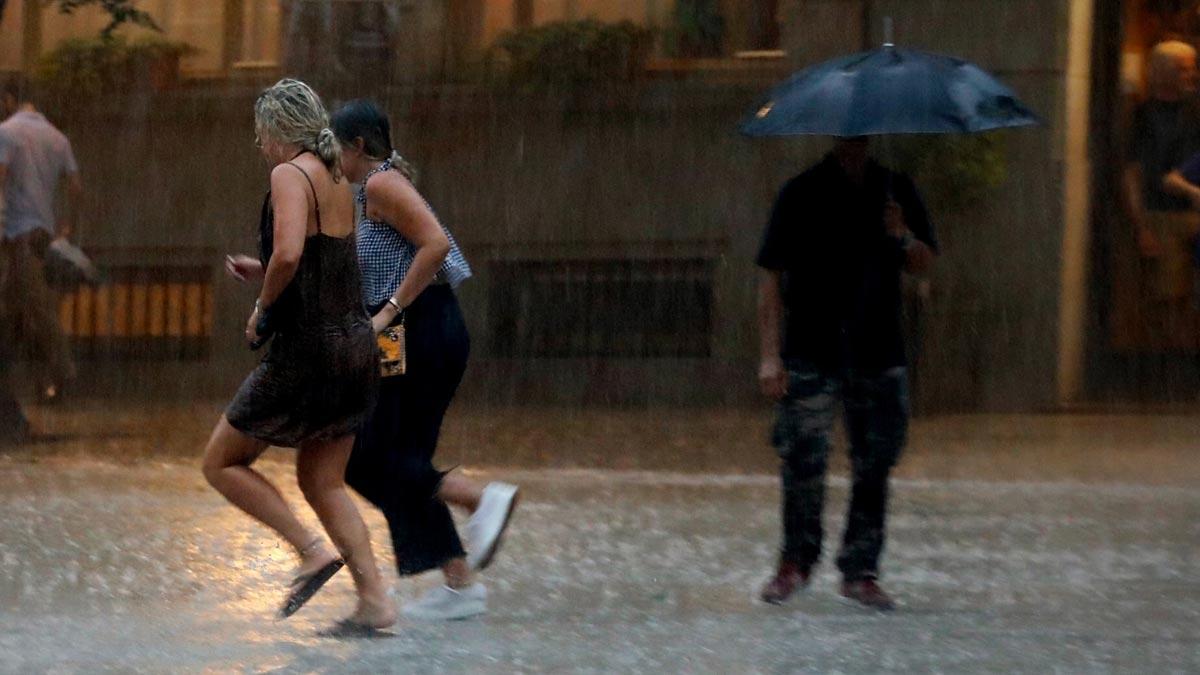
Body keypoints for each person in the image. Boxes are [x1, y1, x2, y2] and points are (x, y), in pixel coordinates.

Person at [205, 79, 394, 634]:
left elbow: (289, 251)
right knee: (322, 480)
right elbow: (323, 265)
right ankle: (376, 601)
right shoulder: (337, 177)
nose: (260, 146)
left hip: (307, 352)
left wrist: (262, 307)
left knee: (220, 462)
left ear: (279, 130)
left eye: (261, 134)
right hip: (354, 347)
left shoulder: (289, 173)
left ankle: (310, 550)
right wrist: (264, 272)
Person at [326, 99, 519, 621]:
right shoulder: (370, 191)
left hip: (422, 329)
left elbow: (436, 246)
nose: (329, 157)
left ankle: (478, 500)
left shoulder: (384, 184)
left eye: (334, 146)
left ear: (358, 146)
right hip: (415, 333)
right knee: (383, 457)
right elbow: (361, 263)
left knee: (369, 456)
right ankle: (459, 582)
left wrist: (390, 310)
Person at [756, 136, 937, 611]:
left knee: (875, 463)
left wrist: (902, 234)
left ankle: (860, 569)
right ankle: (795, 560)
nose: (855, 144)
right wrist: (770, 355)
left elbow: (924, 263)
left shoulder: (895, 189)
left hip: (878, 349)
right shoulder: (801, 192)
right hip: (812, 347)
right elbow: (771, 275)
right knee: (802, 459)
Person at [0, 74, 81, 432]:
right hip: (43, 234)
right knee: (21, 310)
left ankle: (63, 376)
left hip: (16, 234)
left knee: (35, 310)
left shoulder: (7, 133)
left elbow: (0, 179)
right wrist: (67, 228)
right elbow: (76, 188)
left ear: (9, 98)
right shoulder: (57, 138)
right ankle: (37, 382)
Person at [1117, 40, 1200, 350]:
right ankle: (1169, 359)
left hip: (1193, 210)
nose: (1191, 73)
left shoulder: (1195, 110)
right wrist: (1142, 225)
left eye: (1192, 66)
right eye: (1183, 68)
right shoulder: (1143, 115)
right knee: (1168, 295)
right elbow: (1132, 172)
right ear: (1162, 72)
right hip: (1161, 215)